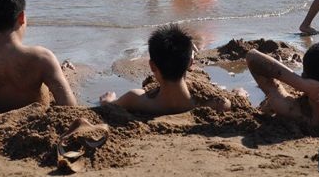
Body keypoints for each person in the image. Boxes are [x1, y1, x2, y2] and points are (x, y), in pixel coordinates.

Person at [99, 24, 232, 115]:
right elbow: (232, 102)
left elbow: (110, 105)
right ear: (190, 64)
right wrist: (240, 93)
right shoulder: (214, 103)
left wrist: (107, 100)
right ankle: (191, 52)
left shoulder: (136, 99)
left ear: (152, 66)